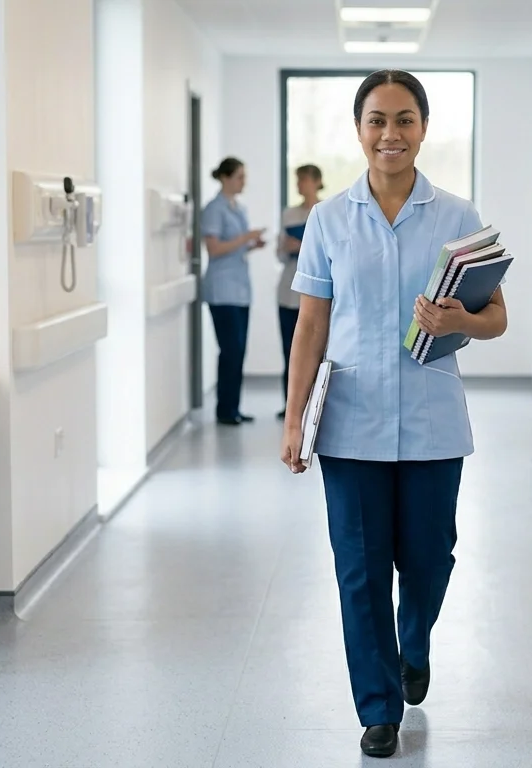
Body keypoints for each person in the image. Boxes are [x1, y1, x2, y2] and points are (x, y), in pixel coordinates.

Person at [279, 70, 507, 759]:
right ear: (358, 130)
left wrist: (459, 316)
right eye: (377, 120)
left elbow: (496, 317)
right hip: (351, 420)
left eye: (404, 119)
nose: (390, 134)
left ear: (423, 128)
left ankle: (416, 643)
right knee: (359, 569)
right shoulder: (328, 219)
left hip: (434, 421)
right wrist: (293, 421)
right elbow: (311, 326)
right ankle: (378, 708)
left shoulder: (458, 216)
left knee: (430, 559)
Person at [201, 157, 265, 425]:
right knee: (230, 350)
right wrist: (244, 238)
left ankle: (233, 408)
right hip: (223, 291)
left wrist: (252, 244)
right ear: (225, 178)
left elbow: (233, 247)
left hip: (239, 290)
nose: (243, 181)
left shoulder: (237, 208)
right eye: (239, 176)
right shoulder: (214, 209)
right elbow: (214, 249)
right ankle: (225, 410)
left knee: (238, 352)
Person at [275, 164, 323, 419]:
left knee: (316, 351)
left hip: (317, 297)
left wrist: (303, 245)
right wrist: (286, 247)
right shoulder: (289, 215)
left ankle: (314, 405)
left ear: (316, 182)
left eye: (303, 180)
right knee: (289, 351)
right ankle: (290, 406)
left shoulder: (326, 213)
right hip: (288, 293)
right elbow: (280, 254)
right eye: (297, 180)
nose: (299, 185)